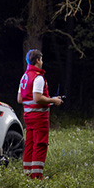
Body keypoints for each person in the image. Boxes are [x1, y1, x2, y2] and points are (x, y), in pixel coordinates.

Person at [17, 49, 63, 179]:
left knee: (30, 145)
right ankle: (36, 177)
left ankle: (27, 174)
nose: (42, 62)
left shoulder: (24, 77)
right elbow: (37, 98)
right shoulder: (38, 77)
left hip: (28, 117)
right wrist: (53, 100)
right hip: (39, 118)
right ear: (37, 60)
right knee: (40, 144)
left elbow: (20, 99)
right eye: (41, 59)